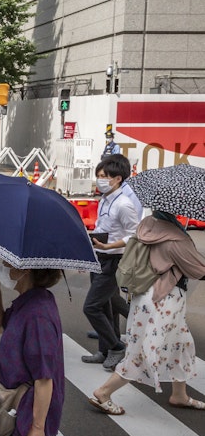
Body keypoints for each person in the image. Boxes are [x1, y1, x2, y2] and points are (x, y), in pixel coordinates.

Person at [90, 211, 205, 415]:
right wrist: (187, 241)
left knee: (181, 342)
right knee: (144, 351)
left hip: (145, 294)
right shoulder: (176, 238)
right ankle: (104, 392)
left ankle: (179, 395)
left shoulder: (148, 226)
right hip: (163, 299)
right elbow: (198, 270)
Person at [0, 263, 65, 436]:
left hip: (29, 410)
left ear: (25, 270)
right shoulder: (29, 300)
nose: (2, 267)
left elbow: (45, 378)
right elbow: (0, 326)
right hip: (14, 404)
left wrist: (37, 429)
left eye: (7, 264)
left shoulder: (38, 315)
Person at [81, 156, 140, 371]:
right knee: (107, 305)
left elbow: (135, 235)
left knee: (92, 306)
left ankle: (117, 346)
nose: (99, 180)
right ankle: (105, 350)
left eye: (103, 176)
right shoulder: (105, 199)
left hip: (114, 259)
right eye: (98, 176)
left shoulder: (124, 204)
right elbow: (101, 228)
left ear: (117, 178)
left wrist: (110, 246)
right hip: (100, 256)